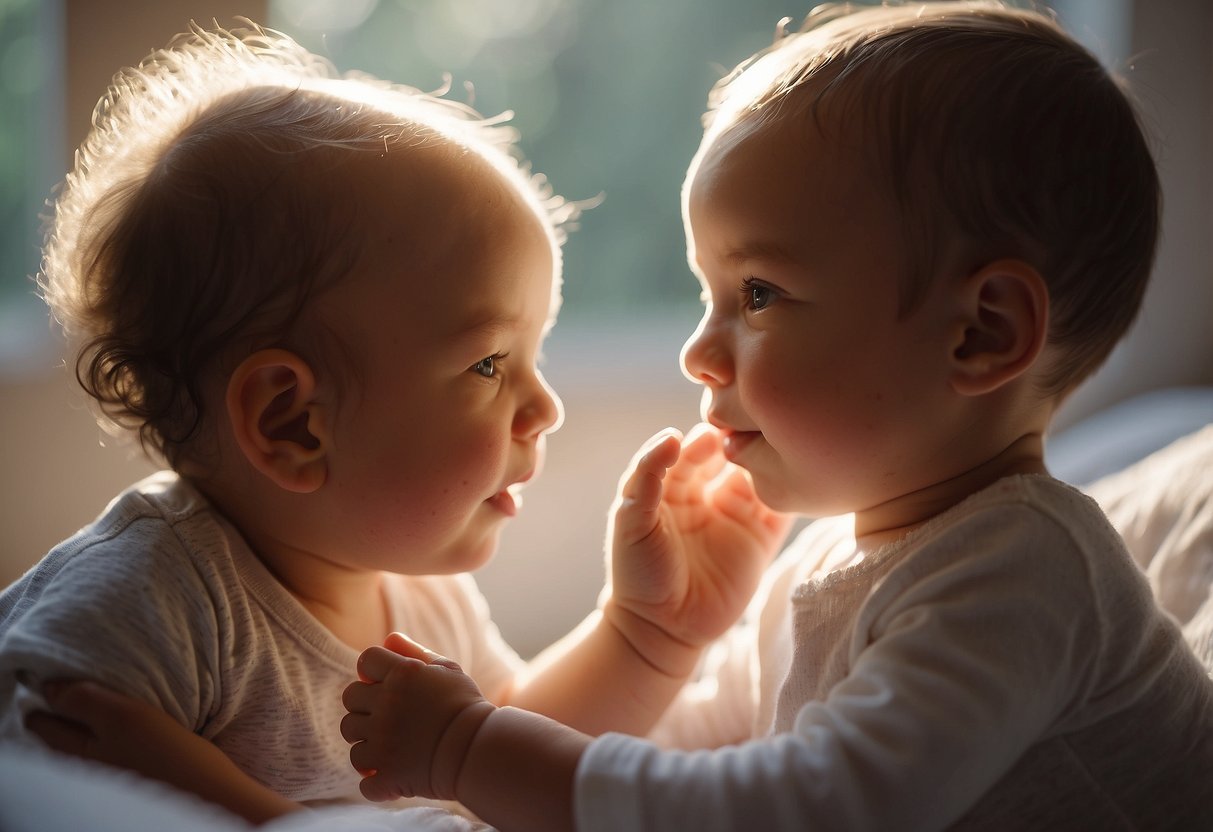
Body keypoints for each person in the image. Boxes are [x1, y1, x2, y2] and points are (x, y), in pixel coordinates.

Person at [336, 3, 1213, 830]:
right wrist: (656, 633)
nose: (697, 352)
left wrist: (471, 747)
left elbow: (795, 810)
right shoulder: (842, 555)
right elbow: (684, 754)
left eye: (757, 294)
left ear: (981, 333)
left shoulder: (1026, 574)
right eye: (707, 293)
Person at [1, 20, 789, 827]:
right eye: (489, 364)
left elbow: (497, 750)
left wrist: (646, 633)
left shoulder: (417, 592)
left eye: (534, 355)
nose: (544, 407)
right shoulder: (154, 595)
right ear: (292, 422)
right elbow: (34, 774)